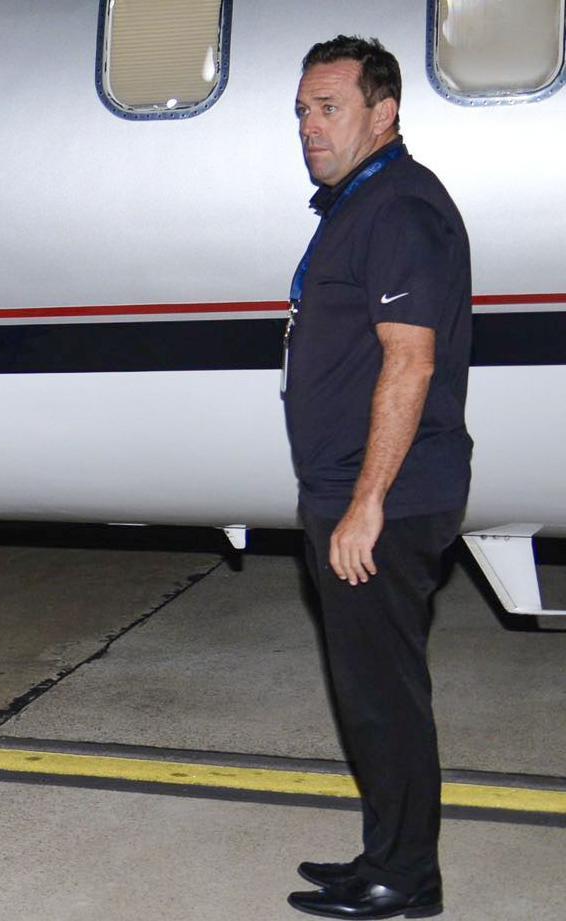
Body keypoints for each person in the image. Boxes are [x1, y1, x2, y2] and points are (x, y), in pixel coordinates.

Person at [281, 36, 472, 920]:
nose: (311, 128)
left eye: (330, 109)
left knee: (386, 697)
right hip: (350, 492)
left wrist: (366, 505)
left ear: (383, 112)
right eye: (303, 112)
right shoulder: (357, 203)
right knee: (368, 692)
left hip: (382, 501)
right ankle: (383, 855)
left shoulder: (396, 207)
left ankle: (409, 880)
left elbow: (411, 364)